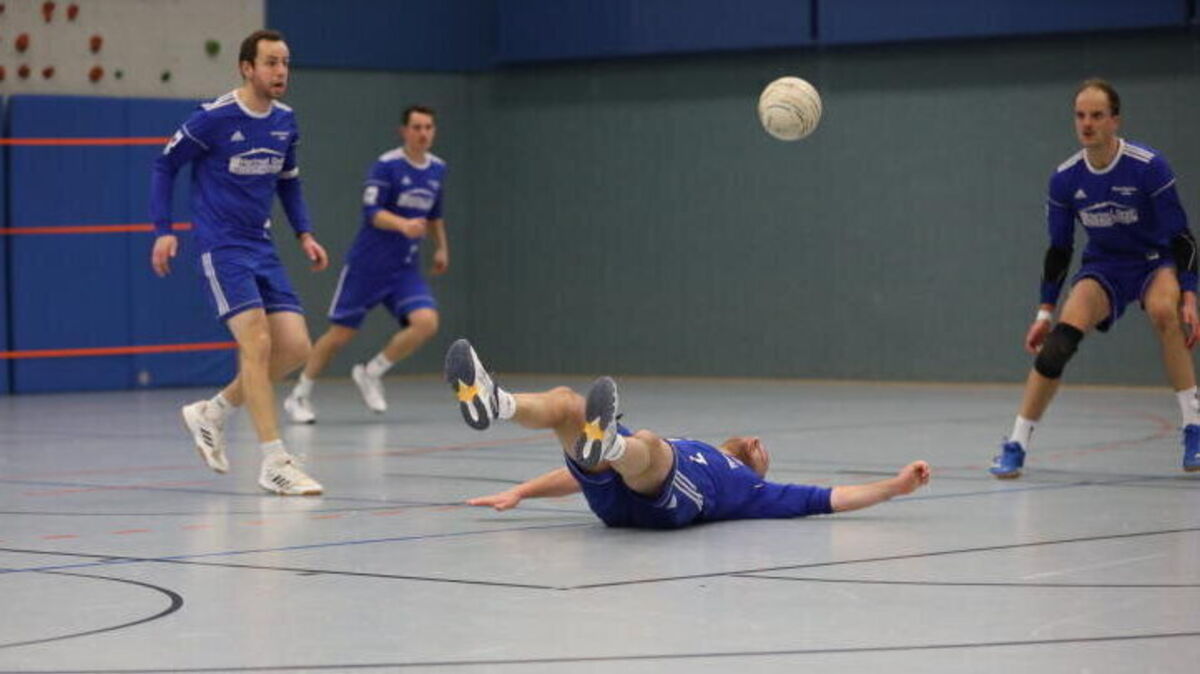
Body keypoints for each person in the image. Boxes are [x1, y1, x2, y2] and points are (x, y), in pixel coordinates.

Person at [444, 339, 930, 528]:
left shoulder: (754, 490)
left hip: (665, 504)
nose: (757, 445)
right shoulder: (695, 445)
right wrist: (522, 492)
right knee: (569, 402)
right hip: (619, 487)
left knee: (651, 444)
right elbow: (574, 477)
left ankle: (611, 443)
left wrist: (896, 486)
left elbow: (831, 498)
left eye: (763, 453)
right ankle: (495, 402)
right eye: (756, 442)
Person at [990, 78, 1200, 479]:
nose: (1087, 124)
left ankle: (1194, 427)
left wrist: (1189, 295)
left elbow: (1182, 237)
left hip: (1153, 262)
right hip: (1104, 267)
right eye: (1081, 116)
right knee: (1056, 348)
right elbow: (1059, 249)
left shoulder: (1148, 166)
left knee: (1164, 313)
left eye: (1097, 116)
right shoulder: (1065, 179)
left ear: (1115, 120)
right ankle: (1016, 442)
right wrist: (1044, 312)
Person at [149, 29, 328, 495]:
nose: (281, 71)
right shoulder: (213, 118)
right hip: (221, 246)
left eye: (285, 62)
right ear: (247, 68)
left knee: (296, 347)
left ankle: (212, 412)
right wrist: (164, 230)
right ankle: (275, 461)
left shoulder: (285, 121)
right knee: (258, 344)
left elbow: (289, 182)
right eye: (271, 62)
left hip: (262, 246)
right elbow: (165, 165)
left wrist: (305, 233)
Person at [283, 106, 449, 422]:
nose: (423, 133)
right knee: (339, 336)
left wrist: (441, 248)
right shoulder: (386, 166)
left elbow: (434, 216)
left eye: (428, 127)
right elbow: (372, 212)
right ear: (404, 131)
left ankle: (371, 373)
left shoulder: (438, 169)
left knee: (426, 322)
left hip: (405, 269)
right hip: (368, 266)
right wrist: (403, 225)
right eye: (416, 127)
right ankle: (299, 395)